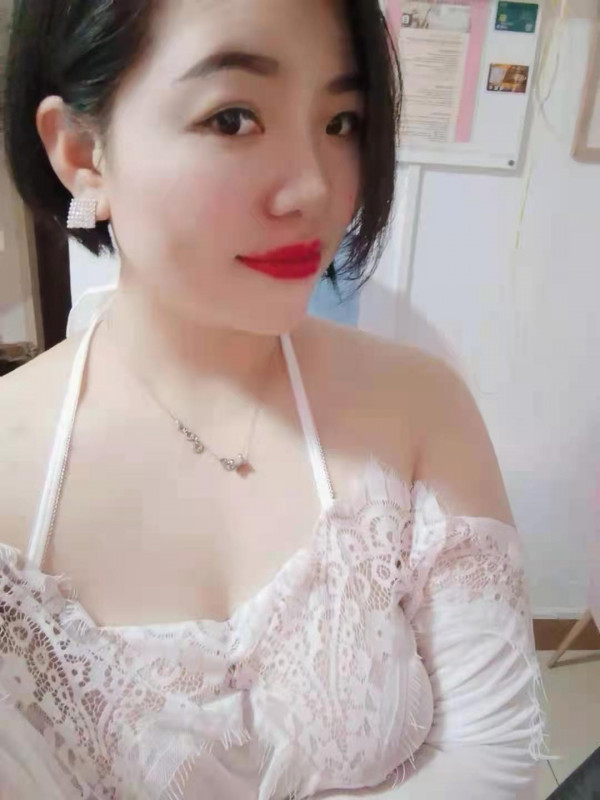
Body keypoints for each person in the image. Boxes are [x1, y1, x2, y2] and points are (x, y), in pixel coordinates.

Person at [0, 0, 544, 797]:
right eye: (233, 119)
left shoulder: (420, 407)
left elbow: (495, 755)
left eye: (341, 121)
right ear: (84, 153)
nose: (315, 189)